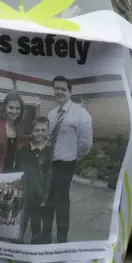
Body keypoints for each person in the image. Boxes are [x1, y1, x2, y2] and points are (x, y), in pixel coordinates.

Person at [43, 76, 93, 243]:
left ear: (70, 92)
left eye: (63, 89)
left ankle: (62, 238)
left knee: (61, 199)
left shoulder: (80, 113)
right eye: (56, 88)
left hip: (65, 163)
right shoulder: (51, 114)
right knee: (48, 198)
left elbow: (86, 142)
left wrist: (73, 156)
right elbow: (48, 138)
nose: (59, 92)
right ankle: (46, 234)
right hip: (50, 163)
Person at [15, 117, 53, 244]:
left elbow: (48, 175)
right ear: (32, 131)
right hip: (22, 194)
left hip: (37, 197)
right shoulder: (23, 149)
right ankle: (16, 248)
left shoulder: (48, 152)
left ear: (48, 132)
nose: (40, 133)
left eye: (43, 130)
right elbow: (16, 171)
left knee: (36, 227)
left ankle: (34, 252)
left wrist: (45, 196)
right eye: (37, 130)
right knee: (19, 226)